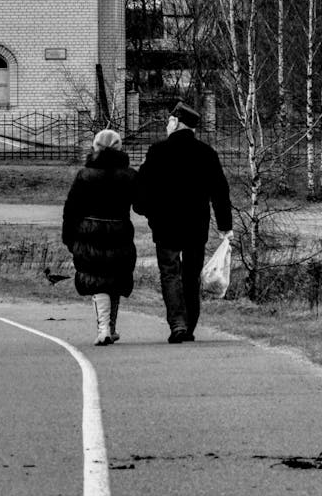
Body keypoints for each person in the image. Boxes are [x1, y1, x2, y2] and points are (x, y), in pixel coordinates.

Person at [133, 101, 232, 343]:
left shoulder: (158, 152)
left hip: (165, 224)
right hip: (195, 226)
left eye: (169, 121)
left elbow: (143, 187)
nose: (167, 125)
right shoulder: (207, 153)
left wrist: (145, 211)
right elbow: (220, 190)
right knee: (191, 274)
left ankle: (177, 323)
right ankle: (189, 326)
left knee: (169, 274)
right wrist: (224, 226)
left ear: (176, 122)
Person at [61, 128, 137, 345]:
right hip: (119, 231)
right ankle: (110, 327)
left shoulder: (85, 175)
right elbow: (141, 204)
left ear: (95, 147)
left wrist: (69, 236)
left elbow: (71, 208)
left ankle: (103, 328)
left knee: (98, 280)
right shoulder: (129, 176)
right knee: (115, 277)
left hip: (90, 232)